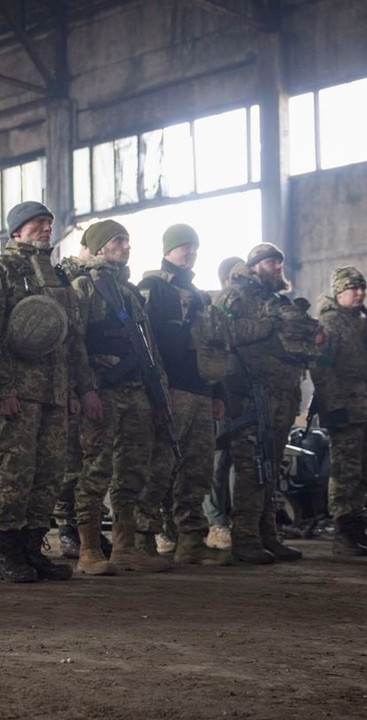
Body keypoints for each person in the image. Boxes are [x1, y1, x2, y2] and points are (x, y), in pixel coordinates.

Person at [0, 202, 92, 582]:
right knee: (16, 471)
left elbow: (72, 338)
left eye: (48, 222)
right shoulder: (0, 270)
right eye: (36, 223)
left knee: (50, 472)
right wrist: (1, 388)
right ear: (17, 231)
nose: (45, 228)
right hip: (19, 393)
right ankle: (8, 552)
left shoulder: (56, 276)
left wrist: (77, 388)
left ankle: (33, 546)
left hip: (56, 392)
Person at [61, 219, 167, 575]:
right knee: (95, 470)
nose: (126, 246)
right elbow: (74, 343)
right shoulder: (84, 287)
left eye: (127, 240)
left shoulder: (130, 291)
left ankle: (125, 545)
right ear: (100, 247)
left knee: (133, 471)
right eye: (118, 240)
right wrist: (85, 389)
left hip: (136, 391)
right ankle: (89, 548)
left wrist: (157, 394)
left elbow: (149, 347)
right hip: (102, 390)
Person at [136, 224, 232, 566]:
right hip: (171, 389)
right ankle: (146, 536)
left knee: (198, 466)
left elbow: (212, 347)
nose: (189, 252)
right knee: (160, 466)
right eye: (182, 247)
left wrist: (217, 391)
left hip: (201, 390)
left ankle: (191, 537)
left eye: (193, 246)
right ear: (167, 250)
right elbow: (146, 342)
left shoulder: (201, 295)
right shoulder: (153, 288)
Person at [214, 243, 315, 565]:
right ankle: (245, 538)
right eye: (270, 261)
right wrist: (267, 327)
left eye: (278, 262)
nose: (276, 267)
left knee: (270, 470)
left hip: (281, 397)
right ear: (254, 265)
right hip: (249, 397)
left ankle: (268, 534)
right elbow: (223, 332)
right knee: (251, 469)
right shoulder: (236, 296)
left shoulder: (275, 301)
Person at [311, 266, 367, 557]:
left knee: (364, 473)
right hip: (347, 410)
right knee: (345, 472)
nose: (359, 292)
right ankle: (343, 532)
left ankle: (357, 528)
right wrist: (333, 406)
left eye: (362, 287)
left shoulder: (365, 321)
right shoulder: (331, 323)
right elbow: (321, 367)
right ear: (338, 291)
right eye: (352, 288)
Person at [204, 256, 246, 549]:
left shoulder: (247, 309)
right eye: (235, 277)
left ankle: (230, 520)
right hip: (220, 391)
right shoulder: (216, 306)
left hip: (241, 393)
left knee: (235, 459)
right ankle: (216, 522)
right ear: (224, 280)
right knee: (216, 460)